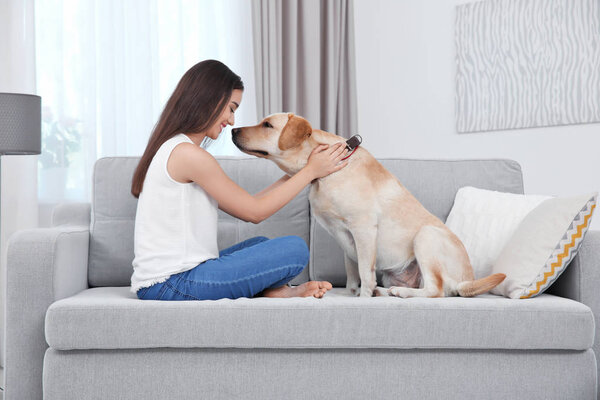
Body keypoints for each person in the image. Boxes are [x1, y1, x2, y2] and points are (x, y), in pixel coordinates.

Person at [130, 59, 349, 301]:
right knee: (294, 249)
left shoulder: (175, 148)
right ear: (209, 99)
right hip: (172, 284)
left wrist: (301, 170)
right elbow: (254, 213)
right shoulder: (189, 155)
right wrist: (310, 172)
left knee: (260, 244)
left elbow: (248, 203)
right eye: (231, 108)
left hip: (169, 280)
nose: (232, 120)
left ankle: (273, 291)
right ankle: (271, 290)